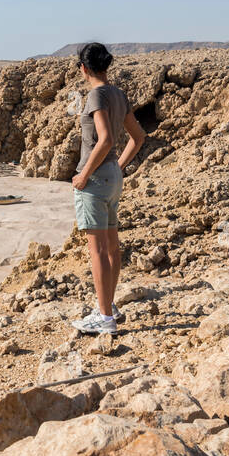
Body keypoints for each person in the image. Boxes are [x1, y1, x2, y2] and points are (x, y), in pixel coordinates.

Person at [70, 42, 146, 335]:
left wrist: (83, 175)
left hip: (96, 179)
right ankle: (109, 306)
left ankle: (104, 319)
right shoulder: (118, 94)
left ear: (84, 68)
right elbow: (138, 137)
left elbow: (104, 141)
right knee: (112, 246)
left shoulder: (96, 95)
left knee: (98, 250)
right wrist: (118, 167)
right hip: (113, 176)